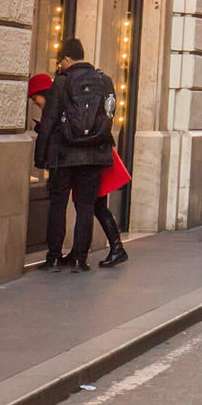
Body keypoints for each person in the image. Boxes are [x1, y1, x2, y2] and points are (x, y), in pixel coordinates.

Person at [33, 40, 121, 272]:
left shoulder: (61, 83)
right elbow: (109, 115)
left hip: (64, 154)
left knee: (58, 206)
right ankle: (80, 259)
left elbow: (49, 121)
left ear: (68, 59)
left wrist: (40, 157)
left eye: (60, 61)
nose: (60, 66)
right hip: (93, 155)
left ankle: (53, 257)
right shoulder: (104, 81)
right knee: (85, 207)